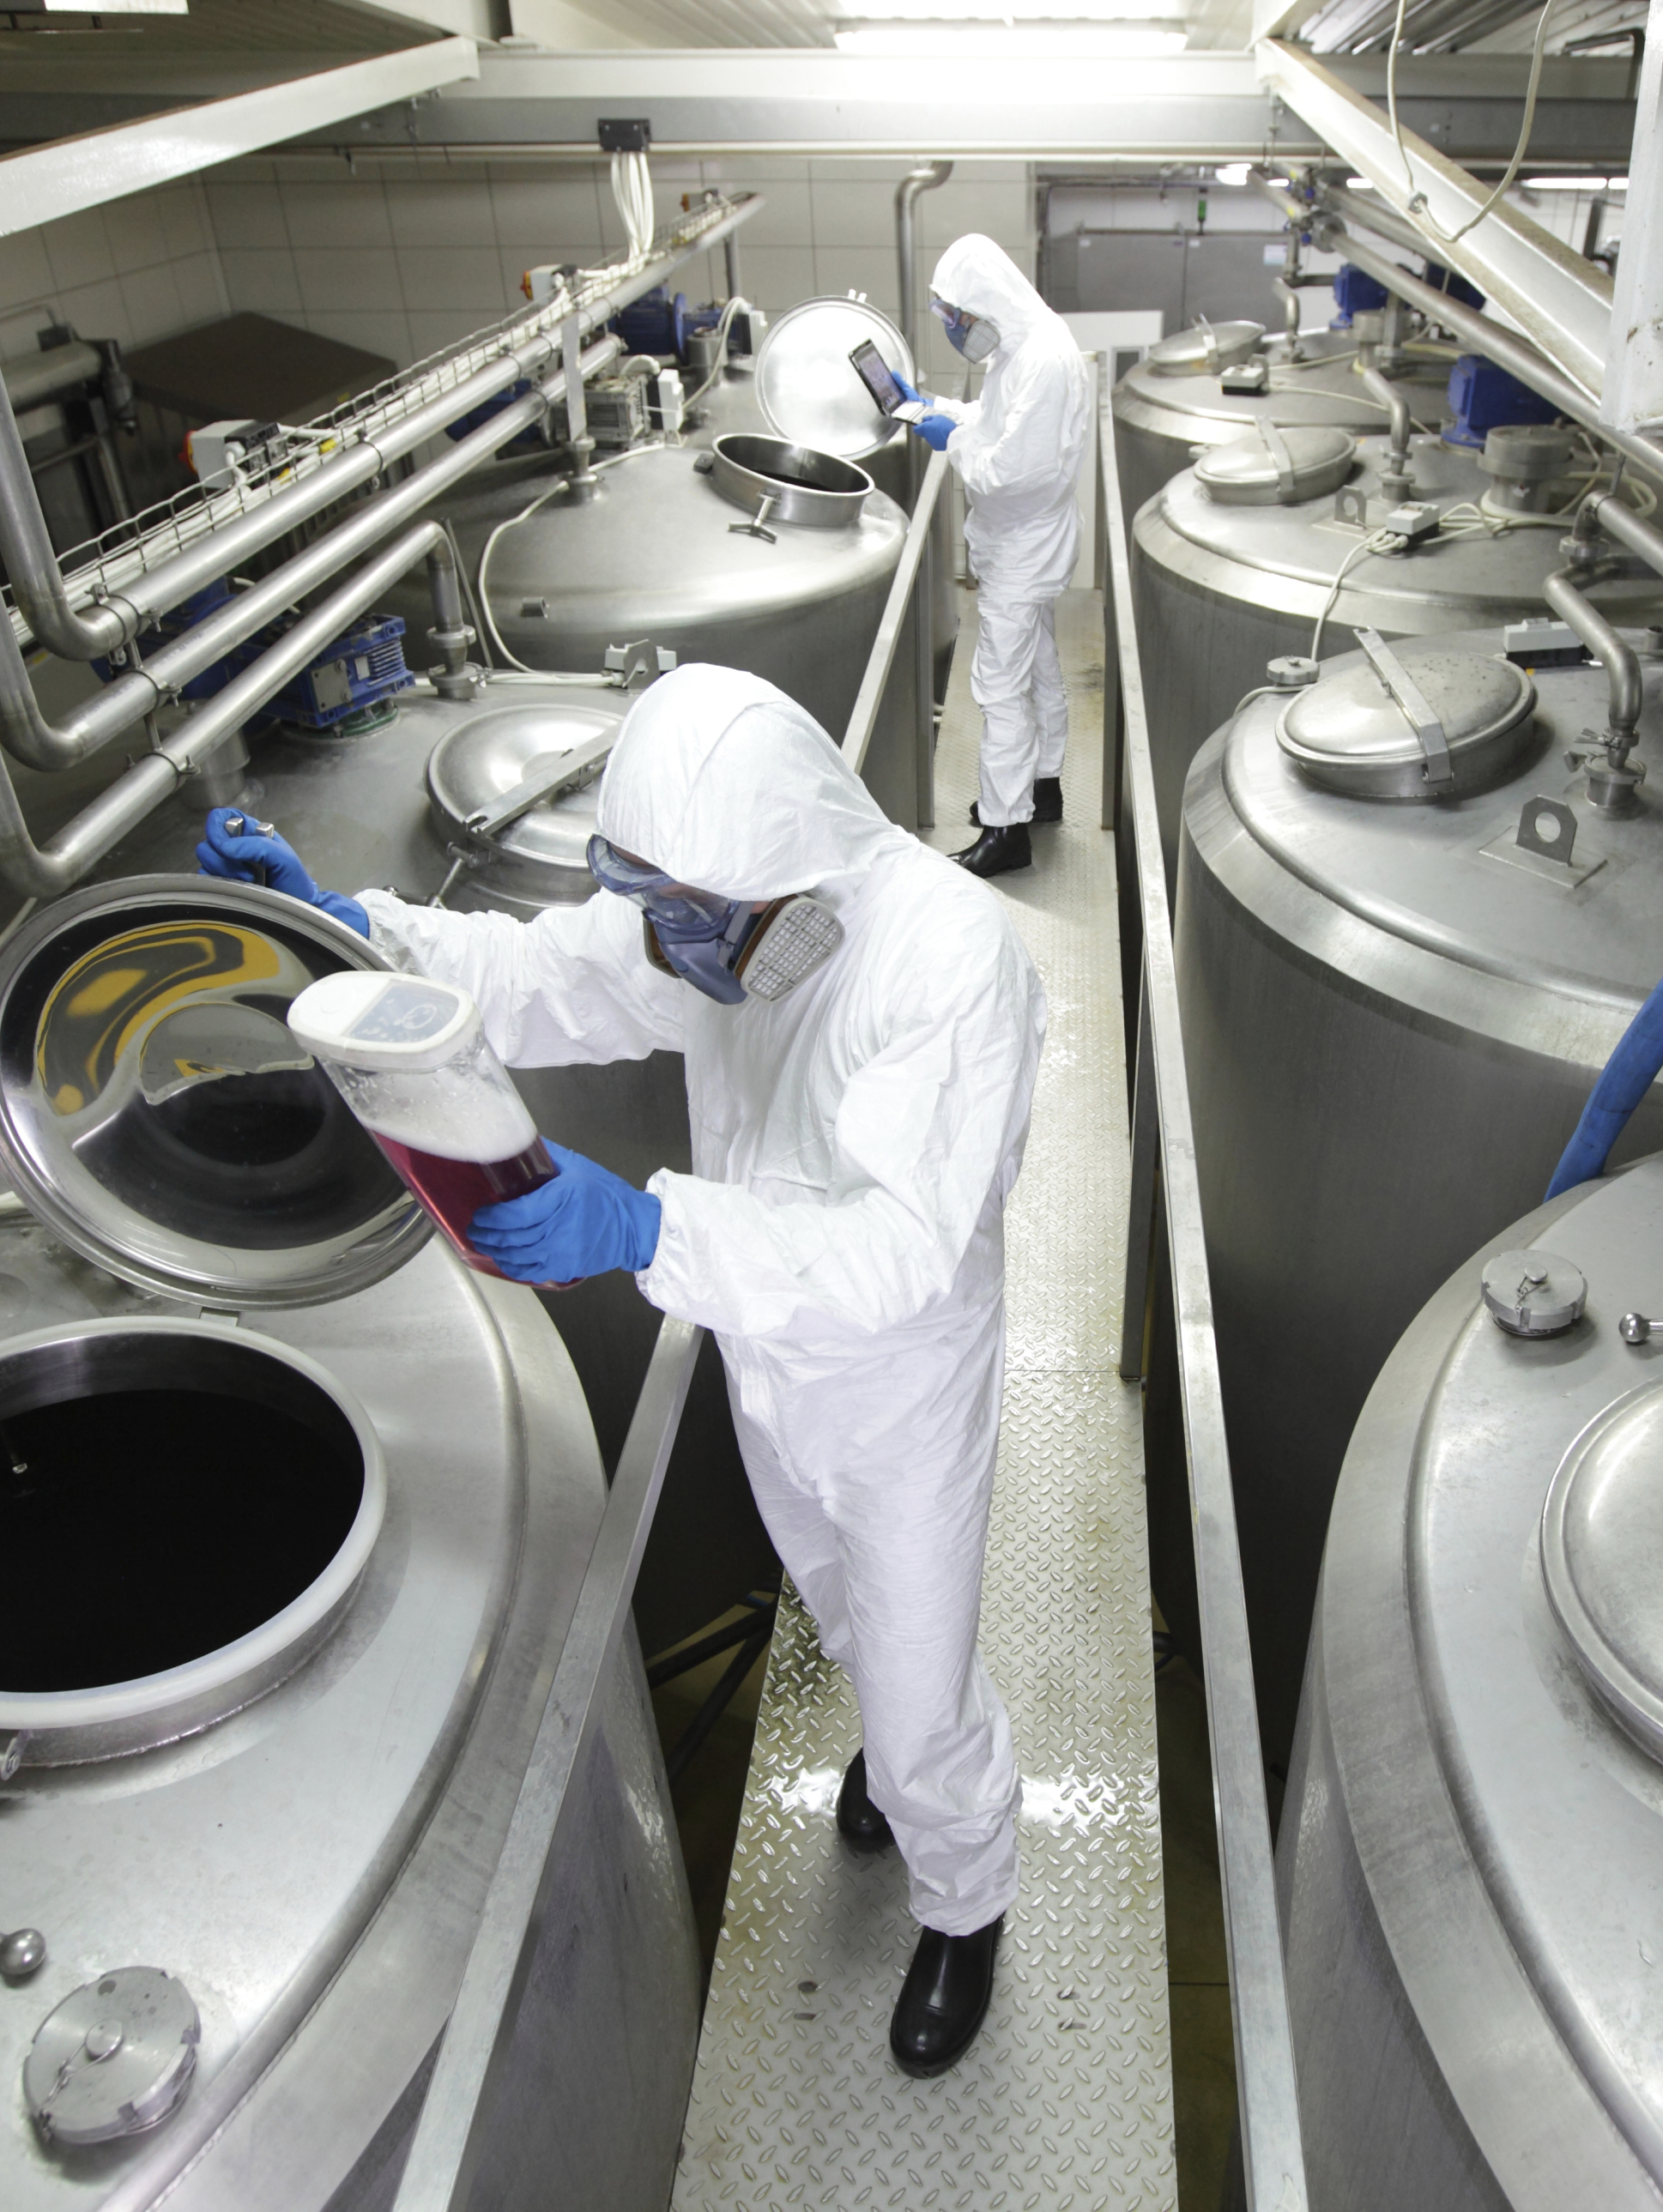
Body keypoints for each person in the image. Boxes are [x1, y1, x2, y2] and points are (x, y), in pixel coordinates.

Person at [197, 664, 1046, 2079]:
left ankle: (965, 1892)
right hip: (762, 1348)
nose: (666, 946)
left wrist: (649, 1223)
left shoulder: (946, 960)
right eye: (650, 903)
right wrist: (352, 931)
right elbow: (540, 976)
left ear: (788, 866)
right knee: (830, 1591)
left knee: (916, 1667)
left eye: (685, 916)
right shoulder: (719, 913)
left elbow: (898, 1255)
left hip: (896, 1387)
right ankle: (899, 1772)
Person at [893, 236, 1087, 881]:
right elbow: (995, 418)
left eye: (958, 320)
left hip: (1023, 544)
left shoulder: (1045, 360)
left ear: (986, 304)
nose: (956, 331)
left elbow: (1010, 467)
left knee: (999, 686)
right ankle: (1043, 788)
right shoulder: (1023, 344)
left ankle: (1006, 829)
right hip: (1025, 539)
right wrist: (930, 405)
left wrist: (951, 446)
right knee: (1035, 667)